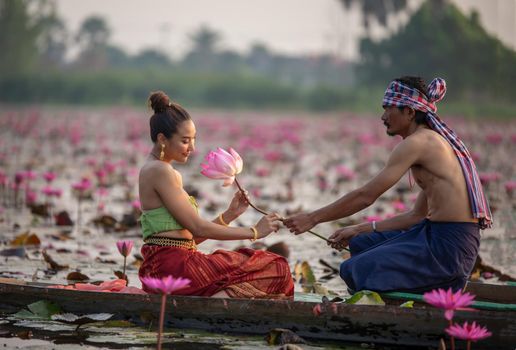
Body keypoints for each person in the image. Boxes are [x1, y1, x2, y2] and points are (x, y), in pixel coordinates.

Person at [284, 76, 492, 293]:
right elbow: (417, 216)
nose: (383, 117)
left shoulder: (419, 143)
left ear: (410, 112)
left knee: (353, 269)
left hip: (449, 250)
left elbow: (366, 196)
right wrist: (358, 229)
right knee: (360, 243)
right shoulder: (429, 141)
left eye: (389, 109)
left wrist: (312, 218)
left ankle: (420, 296)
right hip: (438, 236)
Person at [138, 91, 294, 299]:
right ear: (162, 139)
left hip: (169, 266)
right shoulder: (160, 171)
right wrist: (255, 231)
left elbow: (187, 239)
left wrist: (229, 215)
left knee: (271, 266)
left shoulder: (161, 170)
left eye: (193, 140)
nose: (192, 148)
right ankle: (217, 299)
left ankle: (217, 295)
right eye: (185, 141)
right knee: (277, 266)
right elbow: (197, 227)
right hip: (173, 269)